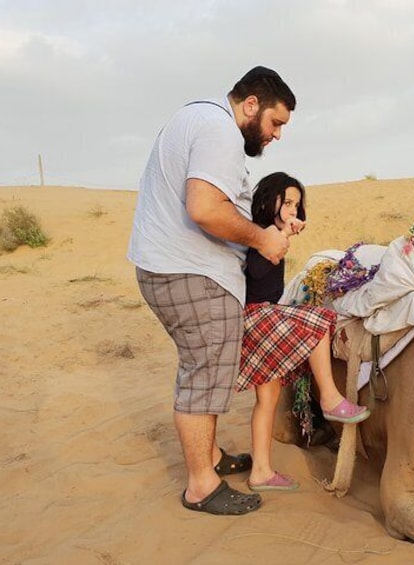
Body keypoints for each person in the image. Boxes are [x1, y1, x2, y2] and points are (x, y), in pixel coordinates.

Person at [127, 66, 296, 516]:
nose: (277, 135)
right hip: (190, 272)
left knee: (204, 369)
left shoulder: (199, 120)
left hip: (176, 267)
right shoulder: (218, 129)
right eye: (276, 123)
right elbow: (204, 207)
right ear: (251, 105)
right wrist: (263, 239)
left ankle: (213, 458)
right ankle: (202, 484)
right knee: (203, 374)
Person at [236, 172, 370, 492]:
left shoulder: (269, 233)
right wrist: (279, 233)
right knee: (319, 321)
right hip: (258, 316)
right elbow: (256, 270)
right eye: (288, 202)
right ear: (271, 200)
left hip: (260, 317)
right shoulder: (262, 233)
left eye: (297, 204)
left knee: (267, 400)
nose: (294, 208)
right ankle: (329, 397)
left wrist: (283, 233)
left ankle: (261, 472)